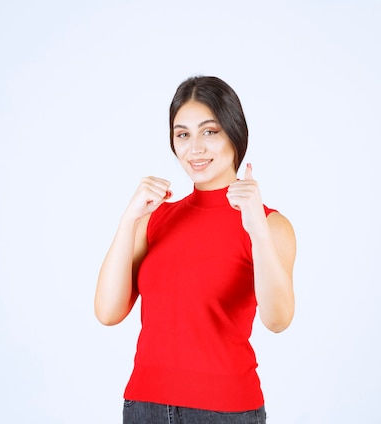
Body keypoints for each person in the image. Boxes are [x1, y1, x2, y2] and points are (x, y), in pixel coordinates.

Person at [94, 75, 296, 423]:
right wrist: (129, 219)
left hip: (226, 412)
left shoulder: (269, 224)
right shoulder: (155, 218)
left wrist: (257, 231)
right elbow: (107, 312)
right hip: (144, 408)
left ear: (234, 133)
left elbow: (277, 320)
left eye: (210, 131)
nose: (195, 148)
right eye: (183, 134)